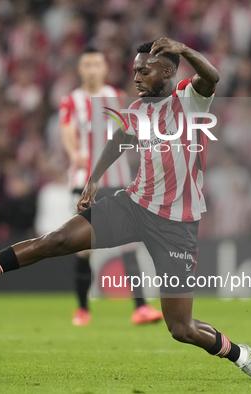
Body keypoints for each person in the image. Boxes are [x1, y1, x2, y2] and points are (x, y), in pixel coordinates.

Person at [0, 37, 251, 381]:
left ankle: (240, 354)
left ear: (168, 72)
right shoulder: (137, 110)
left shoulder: (190, 98)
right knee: (57, 240)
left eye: (145, 71)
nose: (136, 77)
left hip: (176, 225)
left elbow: (213, 77)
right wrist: (94, 179)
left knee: (181, 329)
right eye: (135, 71)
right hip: (133, 205)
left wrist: (184, 49)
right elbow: (118, 140)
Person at [58, 46, 163, 326]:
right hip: (83, 183)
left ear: (105, 69)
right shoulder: (71, 101)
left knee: (130, 242)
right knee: (84, 246)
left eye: (97, 64)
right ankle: (82, 309)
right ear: (80, 69)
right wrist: (74, 154)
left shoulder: (116, 97)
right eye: (87, 64)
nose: (92, 69)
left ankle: (141, 308)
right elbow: (67, 132)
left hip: (116, 182)